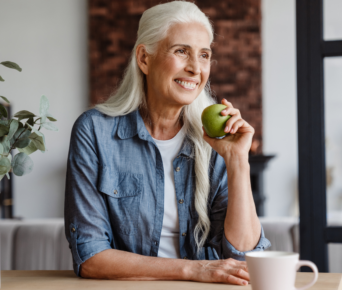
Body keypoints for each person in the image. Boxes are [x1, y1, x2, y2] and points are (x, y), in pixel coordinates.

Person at [64, 1, 270, 285]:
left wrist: (237, 160)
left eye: (204, 55)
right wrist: (192, 269)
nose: (195, 68)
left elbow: (245, 257)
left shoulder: (217, 140)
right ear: (144, 59)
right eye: (181, 51)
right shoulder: (95, 132)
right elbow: (90, 257)